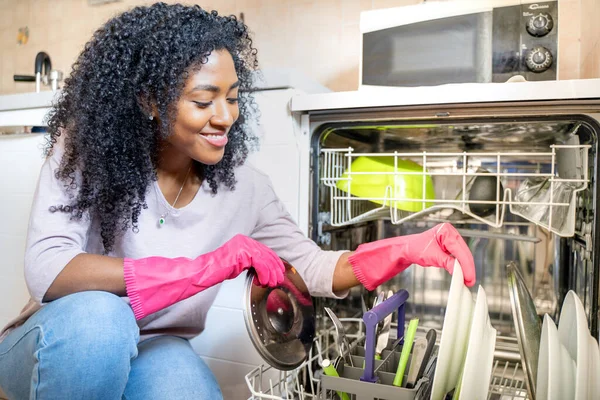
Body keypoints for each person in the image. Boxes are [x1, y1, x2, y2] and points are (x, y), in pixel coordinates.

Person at [0, 3, 476, 399]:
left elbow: (313, 267)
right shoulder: (89, 150)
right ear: (149, 100)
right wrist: (204, 268)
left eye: (233, 97)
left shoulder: (244, 188)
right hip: (63, 343)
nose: (225, 116)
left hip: (155, 346)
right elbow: (48, 268)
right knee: (102, 320)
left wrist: (408, 248)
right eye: (204, 101)